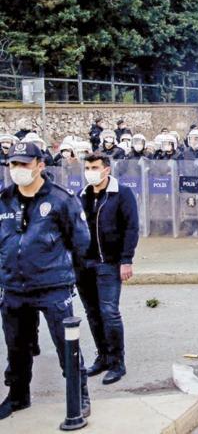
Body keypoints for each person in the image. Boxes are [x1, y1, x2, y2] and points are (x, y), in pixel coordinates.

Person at [0, 142, 92, 419]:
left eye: (24, 164)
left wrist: (65, 273)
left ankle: (81, 397)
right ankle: (18, 396)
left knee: (67, 346)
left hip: (53, 286)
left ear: (40, 164)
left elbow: (80, 241)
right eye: (13, 164)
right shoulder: (4, 199)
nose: (18, 170)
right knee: (17, 347)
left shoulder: (61, 199)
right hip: (14, 288)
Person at [77, 154, 139, 385]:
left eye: (94, 167)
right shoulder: (81, 195)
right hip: (84, 265)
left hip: (109, 263)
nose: (90, 171)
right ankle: (102, 357)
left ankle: (116, 362)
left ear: (106, 170)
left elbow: (131, 228)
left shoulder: (121, 194)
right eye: (87, 167)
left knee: (109, 312)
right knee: (92, 313)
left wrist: (126, 260)